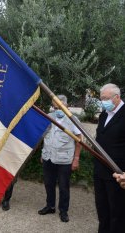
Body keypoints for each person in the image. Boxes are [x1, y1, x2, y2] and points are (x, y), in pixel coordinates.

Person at [38, 95, 82, 223]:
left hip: (64, 160)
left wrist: (76, 158)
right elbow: (44, 137)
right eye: (54, 106)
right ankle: (50, 206)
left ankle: (63, 211)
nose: (55, 108)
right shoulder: (49, 116)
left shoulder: (73, 120)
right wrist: (42, 153)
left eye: (58, 106)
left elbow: (79, 141)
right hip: (48, 157)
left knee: (63, 187)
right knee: (48, 184)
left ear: (66, 106)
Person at [94, 83, 125, 233]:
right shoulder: (104, 114)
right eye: (101, 99)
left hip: (118, 174)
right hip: (100, 171)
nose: (103, 102)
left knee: (117, 212)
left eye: (105, 98)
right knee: (102, 209)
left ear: (117, 97)